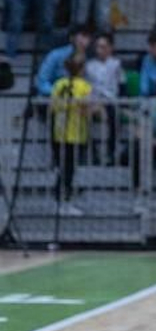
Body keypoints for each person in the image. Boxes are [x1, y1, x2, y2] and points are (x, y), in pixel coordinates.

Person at [49, 55, 93, 215]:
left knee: (63, 168)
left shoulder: (58, 84)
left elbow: (52, 107)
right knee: (69, 169)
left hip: (59, 133)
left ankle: (60, 200)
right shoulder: (84, 86)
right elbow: (87, 110)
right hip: (76, 133)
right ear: (82, 70)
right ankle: (64, 202)